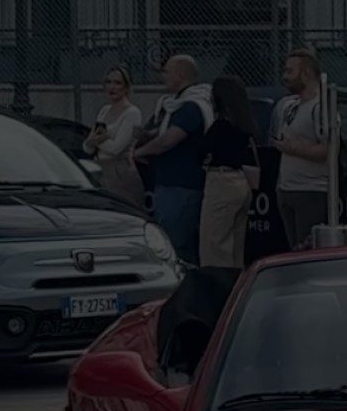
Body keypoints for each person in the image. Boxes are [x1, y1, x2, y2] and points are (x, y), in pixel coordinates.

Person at [135, 55, 214, 267]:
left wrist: (140, 152)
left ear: (180, 75)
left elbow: (169, 140)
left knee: (176, 245)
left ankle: (185, 285)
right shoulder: (174, 105)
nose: (163, 76)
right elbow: (161, 132)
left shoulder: (191, 106)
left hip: (181, 187)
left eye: (166, 72)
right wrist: (145, 135)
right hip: (168, 185)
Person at [272, 49, 331, 251]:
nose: (285, 77)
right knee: (293, 248)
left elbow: (327, 150)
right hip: (287, 188)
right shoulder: (290, 107)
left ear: (305, 74)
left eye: (290, 71)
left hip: (311, 190)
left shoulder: (320, 108)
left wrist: (292, 148)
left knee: (306, 249)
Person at [197, 76, 257, 269]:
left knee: (214, 244)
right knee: (236, 246)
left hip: (221, 182)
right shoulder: (244, 124)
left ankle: (217, 282)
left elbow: (201, 150)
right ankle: (236, 281)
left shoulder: (221, 126)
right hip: (240, 181)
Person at [83, 65, 145, 208]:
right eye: (109, 82)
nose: (112, 87)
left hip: (120, 171)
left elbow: (117, 148)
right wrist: (94, 141)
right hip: (100, 169)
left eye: (117, 83)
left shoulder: (132, 113)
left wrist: (95, 141)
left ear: (126, 87)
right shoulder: (104, 110)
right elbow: (87, 147)